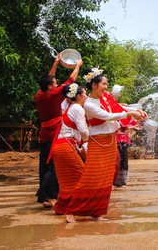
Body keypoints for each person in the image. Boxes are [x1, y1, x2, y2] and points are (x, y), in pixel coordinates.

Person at [66, 68, 145, 219]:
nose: (106, 87)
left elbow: (119, 108)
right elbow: (108, 116)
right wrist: (130, 114)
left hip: (110, 141)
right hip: (98, 143)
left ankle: (97, 211)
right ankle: (71, 210)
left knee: (106, 179)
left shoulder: (105, 98)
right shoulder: (89, 104)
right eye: (104, 83)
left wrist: (136, 110)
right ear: (94, 85)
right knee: (91, 177)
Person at [34, 55, 83, 208]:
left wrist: (55, 63)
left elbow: (50, 78)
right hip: (55, 133)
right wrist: (78, 66)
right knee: (53, 166)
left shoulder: (39, 95)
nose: (56, 83)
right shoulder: (53, 95)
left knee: (44, 165)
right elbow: (70, 83)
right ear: (50, 87)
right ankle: (50, 195)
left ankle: (44, 196)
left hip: (44, 133)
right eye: (54, 83)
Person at [51, 83, 89, 222]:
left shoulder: (71, 107)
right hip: (66, 146)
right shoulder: (78, 108)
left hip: (61, 146)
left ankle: (60, 208)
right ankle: (71, 211)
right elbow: (83, 130)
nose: (86, 96)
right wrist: (91, 139)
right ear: (78, 96)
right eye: (85, 94)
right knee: (82, 176)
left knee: (66, 180)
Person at [111, 85, 140, 188]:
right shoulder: (115, 109)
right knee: (119, 159)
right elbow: (117, 123)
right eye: (119, 93)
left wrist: (132, 125)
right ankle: (117, 181)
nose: (120, 95)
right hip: (116, 138)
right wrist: (129, 126)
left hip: (122, 138)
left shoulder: (120, 109)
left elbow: (128, 122)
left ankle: (121, 181)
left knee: (123, 159)